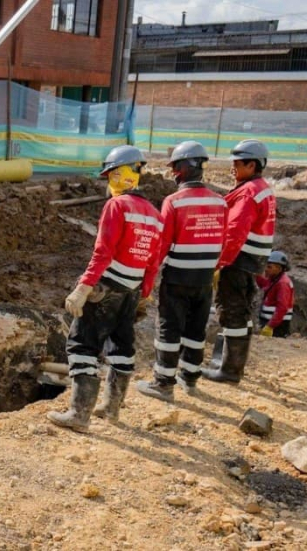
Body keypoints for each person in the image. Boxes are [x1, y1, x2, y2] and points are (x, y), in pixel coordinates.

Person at [47, 145, 162, 431]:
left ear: (122, 175)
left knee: (83, 345)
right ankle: (111, 410)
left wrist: (83, 288)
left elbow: (103, 253)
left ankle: (79, 414)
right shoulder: (154, 214)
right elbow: (154, 261)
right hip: (131, 290)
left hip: (107, 287)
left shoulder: (117, 205)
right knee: (122, 347)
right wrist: (145, 294)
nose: (109, 182)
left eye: (111, 175)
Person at [135, 141, 227, 401]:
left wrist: (147, 280)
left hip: (177, 277)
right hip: (205, 279)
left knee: (169, 328)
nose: (174, 172)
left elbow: (161, 245)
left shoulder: (174, 202)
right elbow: (223, 240)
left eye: (176, 166)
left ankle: (163, 384)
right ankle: (190, 379)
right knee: (196, 329)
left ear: (187, 166)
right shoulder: (219, 202)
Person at [203, 139, 276, 384]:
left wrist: (219, 263)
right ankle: (232, 364)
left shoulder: (248, 193)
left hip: (238, 261)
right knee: (242, 313)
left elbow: (234, 232)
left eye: (237, 163)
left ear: (251, 164)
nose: (232, 168)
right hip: (252, 261)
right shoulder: (261, 188)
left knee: (231, 310)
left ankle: (230, 370)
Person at [256, 251, 294, 338]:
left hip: (278, 325)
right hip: (271, 321)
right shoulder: (274, 279)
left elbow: (282, 307)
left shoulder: (283, 283)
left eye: (269, 267)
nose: (266, 269)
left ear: (279, 268)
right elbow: (264, 283)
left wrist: (270, 326)